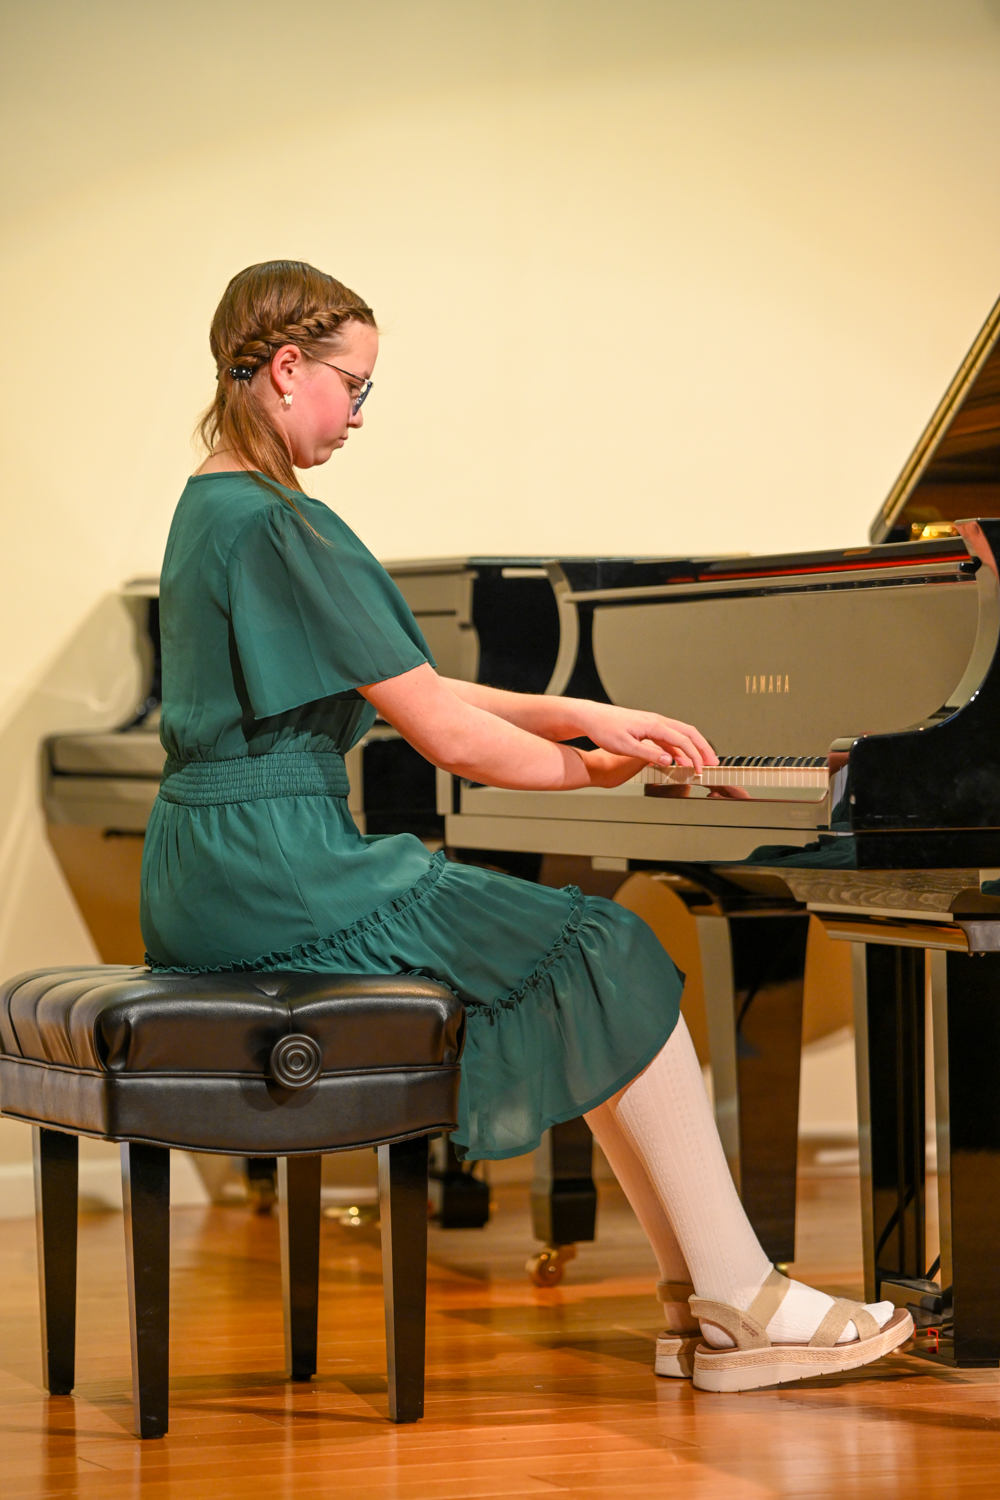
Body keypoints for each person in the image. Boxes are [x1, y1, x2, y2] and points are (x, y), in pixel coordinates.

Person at [140, 260, 912, 1392]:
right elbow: (449, 737)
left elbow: (411, 685)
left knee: (584, 967)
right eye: (356, 386)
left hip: (208, 868)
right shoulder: (280, 524)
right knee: (607, 950)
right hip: (281, 867)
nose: (361, 414)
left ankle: (703, 1301)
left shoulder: (213, 507)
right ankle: (741, 1301)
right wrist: (591, 773)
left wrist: (581, 713)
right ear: (288, 368)